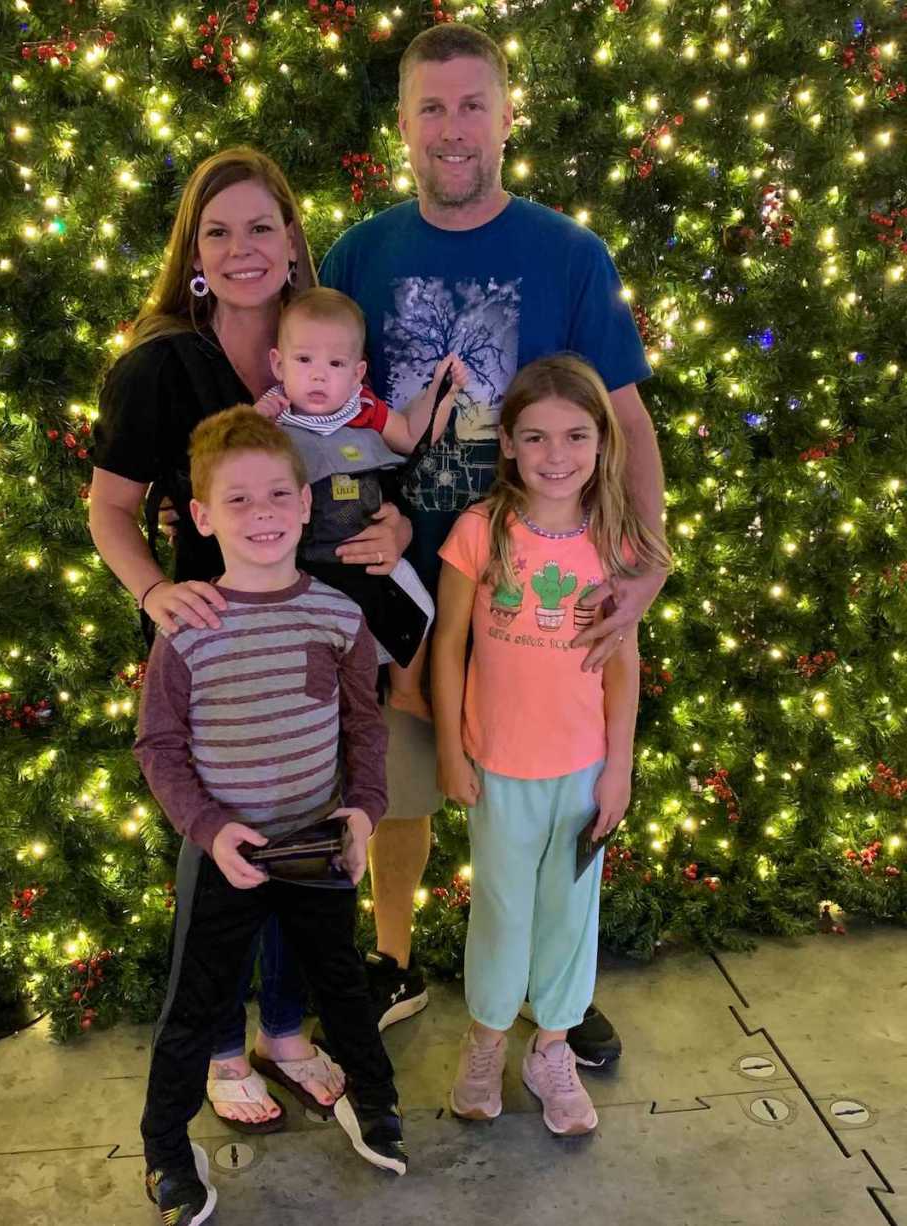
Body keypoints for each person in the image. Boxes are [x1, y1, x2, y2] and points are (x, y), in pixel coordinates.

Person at [317, 25, 668, 1056]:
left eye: (472, 104)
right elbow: (330, 414)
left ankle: (545, 990)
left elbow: (628, 423)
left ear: (508, 117)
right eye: (431, 108)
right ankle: (392, 961)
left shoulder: (569, 256)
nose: (452, 129)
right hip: (406, 594)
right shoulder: (359, 254)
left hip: (542, 606)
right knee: (402, 796)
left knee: (551, 796)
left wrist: (643, 565)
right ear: (403, 127)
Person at [90, 148, 410, 1130]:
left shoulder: (329, 346)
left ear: (292, 241)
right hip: (218, 644)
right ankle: (223, 1045)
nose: (240, 248)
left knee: (304, 842)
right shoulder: (157, 363)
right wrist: (153, 592)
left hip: (321, 641)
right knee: (224, 850)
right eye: (217, 231)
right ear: (193, 252)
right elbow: (109, 507)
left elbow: (381, 467)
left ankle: (284, 1031)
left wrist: (399, 531)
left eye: (260, 227)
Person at [137, 408, 407, 1225]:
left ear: (303, 505)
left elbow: (363, 726)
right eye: (239, 500)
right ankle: (164, 1149)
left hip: (319, 844)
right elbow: (158, 745)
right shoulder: (188, 628)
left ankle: (377, 1100)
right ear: (206, 515)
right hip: (227, 853)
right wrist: (211, 830)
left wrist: (362, 812)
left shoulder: (337, 616)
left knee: (344, 987)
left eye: (277, 495)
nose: (261, 514)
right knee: (195, 1002)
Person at [433, 355, 671, 1133]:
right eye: (535, 437)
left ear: (603, 444)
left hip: (581, 772)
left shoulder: (614, 544)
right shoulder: (479, 532)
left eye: (575, 436)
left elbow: (622, 666)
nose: (556, 455)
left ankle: (553, 1049)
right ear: (507, 442)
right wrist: (449, 748)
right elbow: (448, 648)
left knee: (570, 913)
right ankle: (486, 1038)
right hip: (498, 768)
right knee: (501, 910)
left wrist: (618, 771)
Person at [255, 287, 467, 717]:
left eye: (335, 364)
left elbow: (412, 436)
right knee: (310, 636)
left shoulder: (364, 408)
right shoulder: (269, 420)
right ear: (278, 363)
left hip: (369, 549)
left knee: (418, 606)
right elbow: (229, 460)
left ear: (357, 373)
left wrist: (440, 395)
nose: (319, 376)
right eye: (304, 360)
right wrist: (254, 422)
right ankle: (319, 710)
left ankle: (406, 690)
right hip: (300, 561)